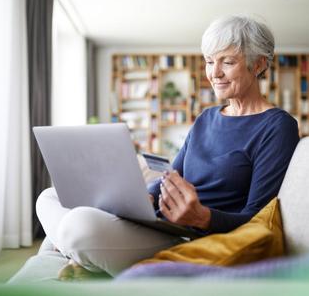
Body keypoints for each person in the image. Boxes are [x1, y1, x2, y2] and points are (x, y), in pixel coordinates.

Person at [36, 15, 299, 278]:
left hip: (191, 237)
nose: (214, 73)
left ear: (259, 64)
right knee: (49, 197)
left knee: (78, 226)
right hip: (159, 222)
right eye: (209, 61)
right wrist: (142, 198)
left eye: (227, 62)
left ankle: (88, 258)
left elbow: (257, 219)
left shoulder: (277, 127)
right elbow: (170, 176)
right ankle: (91, 259)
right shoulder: (206, 119)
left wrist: (202, 217)